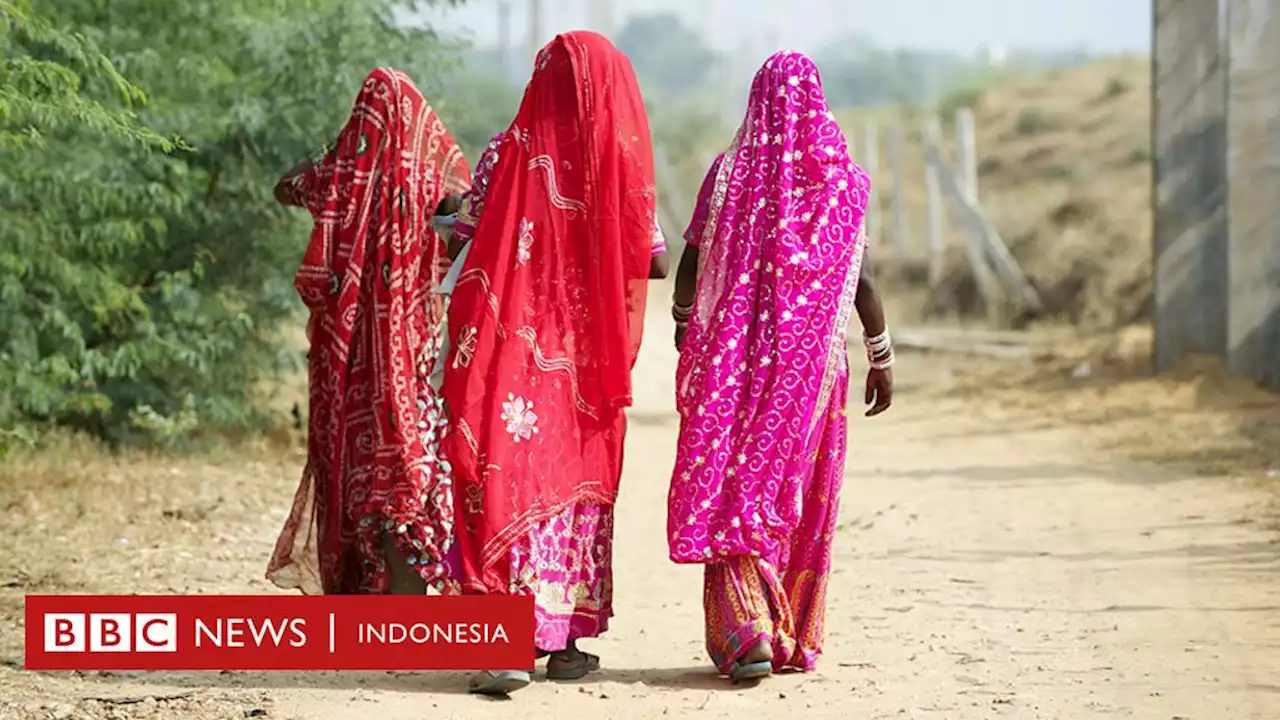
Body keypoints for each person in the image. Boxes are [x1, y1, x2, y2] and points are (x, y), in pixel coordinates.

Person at [441, 31, 667, 694]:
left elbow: (461, 239)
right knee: (570, 483)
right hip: (582, 357)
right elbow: (652, 260)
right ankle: (564, 641)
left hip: (508, 347)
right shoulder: (618, 162)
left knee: (505, 473)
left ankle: (508, 644)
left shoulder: (502, 154)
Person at [665, 51, 894, 683]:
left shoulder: (730, 174)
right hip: (813, 378)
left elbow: (690, 261)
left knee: (734, 485)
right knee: (798, 492)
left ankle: (748, 633)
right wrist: (881, 355)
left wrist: (686, 323)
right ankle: (787, 628)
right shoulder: (844, 182)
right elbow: (864, 282)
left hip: (731, 369)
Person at [266, 67, 472, 597]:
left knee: (357, 456)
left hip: (349, 354)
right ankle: (407, 593)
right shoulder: (442, 167)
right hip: (414, 351)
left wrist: (342, 150)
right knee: (409, 454)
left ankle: (374, 592)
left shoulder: (343, 173)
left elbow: (285, 186)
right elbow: (464, 229)